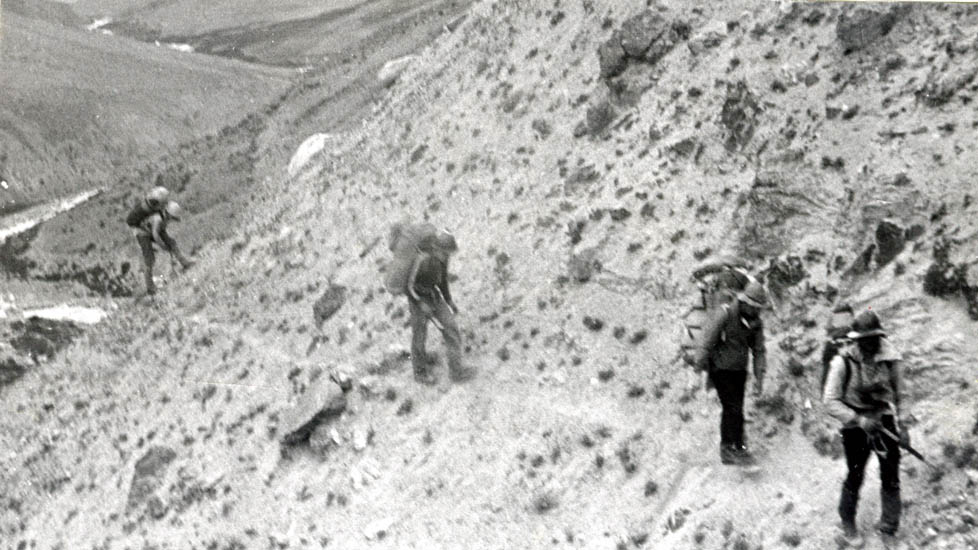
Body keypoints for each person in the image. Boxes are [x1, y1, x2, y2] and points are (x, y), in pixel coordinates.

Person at [823, 310, 906, 549]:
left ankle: (889, 525)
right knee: (855, 473)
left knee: (890, 474)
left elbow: (902, 393)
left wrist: (904, 425)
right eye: (865, 339)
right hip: (855, 425)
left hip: (883, 419)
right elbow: (829, 401)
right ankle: (847, 522)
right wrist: (859, 420)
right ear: (857, 340)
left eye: (874, 338)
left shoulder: (891, 358)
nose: (870, 344)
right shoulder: (842, 362)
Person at [694, 280, 768, 466]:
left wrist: (759, 378)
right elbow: (705, 342)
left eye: (759, 309)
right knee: (733, 408)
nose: (758, 312)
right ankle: (733, 449)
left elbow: (759, 351)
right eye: (755, 308)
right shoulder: (725, 314)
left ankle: (733, 448)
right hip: (720, 369)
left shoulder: (755, 323)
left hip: (739, 371)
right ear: (745, 303)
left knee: (736, 409)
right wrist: (698, 370)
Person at [405, 231, 471, 385]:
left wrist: (449, 300)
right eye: (445, 253)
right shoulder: (422, 261)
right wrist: (420, 303)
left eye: (449, 253)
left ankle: (456, 372)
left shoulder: (443, 260)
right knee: (419, 336)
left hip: (434, 296)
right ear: (437, 249)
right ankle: (420, 373)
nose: (447, 256)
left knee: (451, 328)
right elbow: (408, 287)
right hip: (418, 300)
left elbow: (442, 281)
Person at [132, 200, 193, 295]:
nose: (172, 220)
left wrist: (169, 244)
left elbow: (161, 232)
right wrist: (163, 247)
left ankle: (184, 263)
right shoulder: (158, 219)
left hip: (153, 229)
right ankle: (150, 288)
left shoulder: (164, 218)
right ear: (168, 214)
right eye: (172, 217)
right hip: (142, 233)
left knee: (172, 243)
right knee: (149, 259)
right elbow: (155, 235)